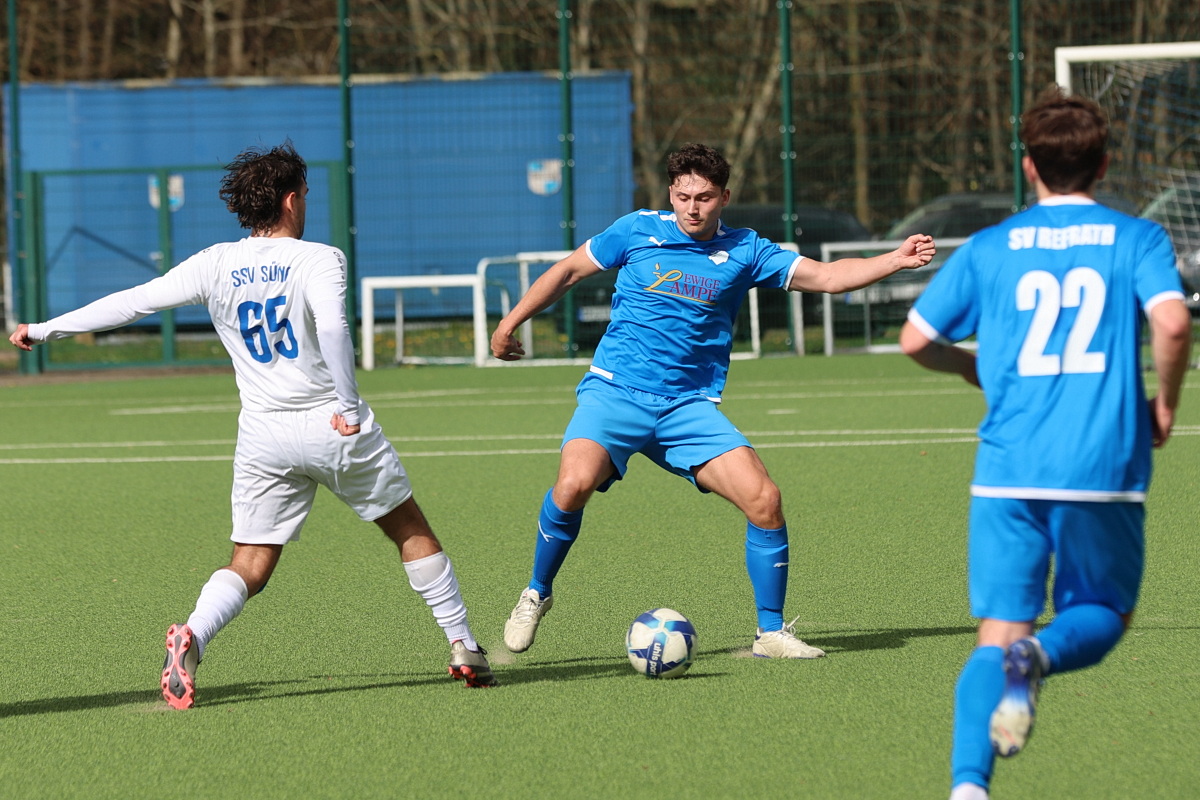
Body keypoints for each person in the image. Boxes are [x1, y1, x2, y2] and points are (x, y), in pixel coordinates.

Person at [9, 142, 498, 707]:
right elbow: (333, 329)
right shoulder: (320, 258)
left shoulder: (214, 262)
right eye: (305, 195)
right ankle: (463, 644)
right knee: (409, 528)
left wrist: (44, 329)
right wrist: (348, 405)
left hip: (263, 434)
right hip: (328, 423)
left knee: (251, 560)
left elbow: (133, 303)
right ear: (291, 200)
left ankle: (194, 635)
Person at [490, 142, 936, 659]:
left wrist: (895, 259)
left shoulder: (747, 250)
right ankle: (536, 593)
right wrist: (508, 324)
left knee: (764, 500)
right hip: (615, 392)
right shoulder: (636, 230)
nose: (692, 208)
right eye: (683, 197)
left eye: (704, 197)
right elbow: (568, 271)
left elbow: (829, 277)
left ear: (724, 197)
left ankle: (770, 633)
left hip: (687, 408)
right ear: (671, 194)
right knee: (572, 486)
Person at [898, 87, 1191, 800]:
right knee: (1103, 613)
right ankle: (1041, 657)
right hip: (1101, 463)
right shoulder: (1137, 238)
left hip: (1008, 466)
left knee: (995, 633)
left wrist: (973, 369)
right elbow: (1173, 323)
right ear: (1105, 164)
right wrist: (1164, 405)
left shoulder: (990, 247)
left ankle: (969, 787)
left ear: (1028, 165)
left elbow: (915, 340)